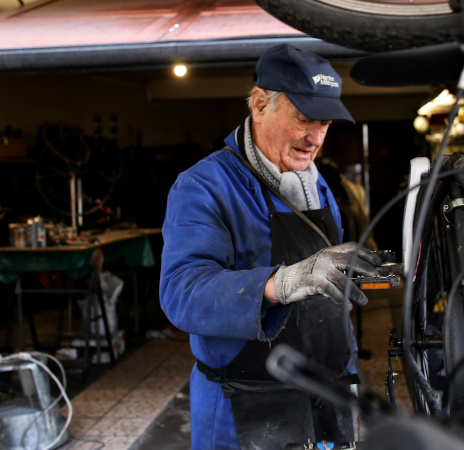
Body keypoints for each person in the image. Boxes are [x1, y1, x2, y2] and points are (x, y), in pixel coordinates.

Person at [160, 44, 382, 449]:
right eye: (304, 119)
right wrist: (284, 282)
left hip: (325, 396)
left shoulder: (316, 183)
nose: (315, 138)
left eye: (326, 124)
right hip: (245, 403)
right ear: (261, 104)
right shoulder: (204, 185)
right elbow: (181, 292)